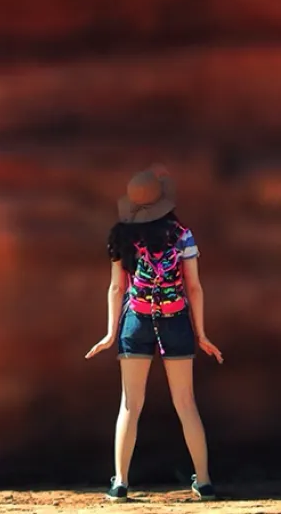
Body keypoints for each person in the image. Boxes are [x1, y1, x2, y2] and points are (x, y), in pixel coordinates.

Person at [85, 164, 224, 502]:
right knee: (186, 402)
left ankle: (120, 482)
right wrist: (201, 333)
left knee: (130, 404)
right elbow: (194, 287)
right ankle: (203, 481)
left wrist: (109, 333)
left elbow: (117, 289)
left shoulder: (121, 236)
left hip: (137, 319)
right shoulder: (181, 235)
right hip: (175, 320)